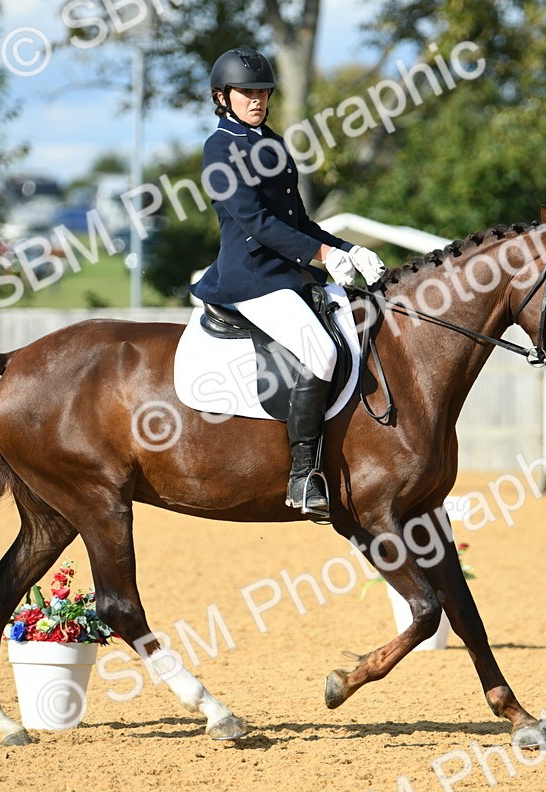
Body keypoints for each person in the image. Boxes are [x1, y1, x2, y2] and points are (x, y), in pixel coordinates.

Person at [191, 46, 386, 520]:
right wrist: (322, 256)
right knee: (321, 352)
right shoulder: (220, 148)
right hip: (251, 279)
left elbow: (298, 221)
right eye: (247, 92)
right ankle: (303, 475)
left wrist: (347, 249)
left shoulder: (272, 142)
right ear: (222, 97)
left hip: (288, 274)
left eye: (263, 92)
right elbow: (256, 222)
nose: (257, 99)